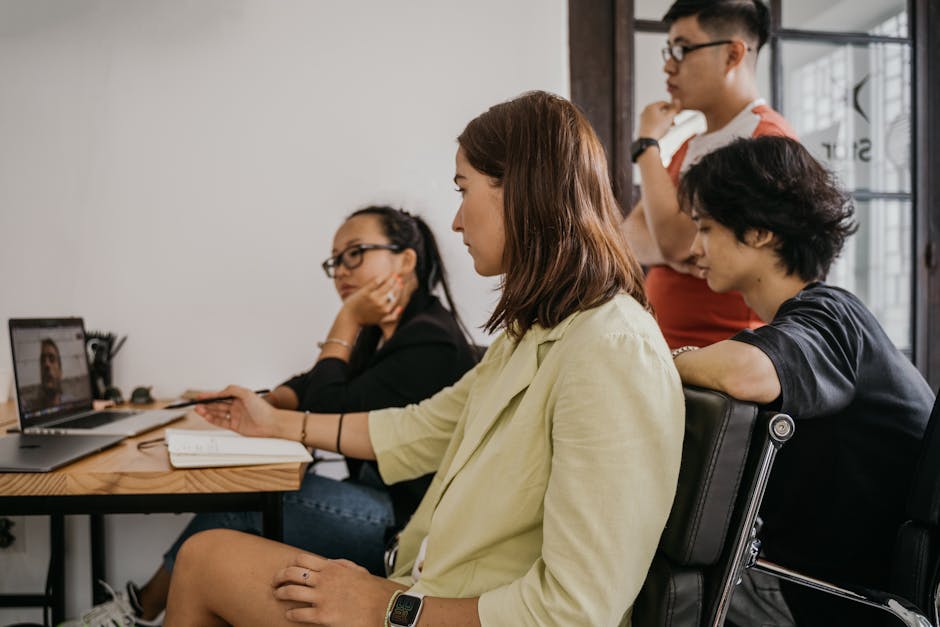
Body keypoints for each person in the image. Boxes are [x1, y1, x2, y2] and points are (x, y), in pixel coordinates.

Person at [162, 91, 685, 626]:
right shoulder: (529, 335)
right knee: (207, 554)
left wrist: (389, 607)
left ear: (522, 190)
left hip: (432, 608)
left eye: (464, 191)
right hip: (425, 586)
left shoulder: (611, 349)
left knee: (205, 558)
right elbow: (417, 430)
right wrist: (272, 421)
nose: (456, 221)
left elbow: (577, 611)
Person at [69, 206, 478, 627]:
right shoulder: (383, 333)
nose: (341, 271)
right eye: (335, 260)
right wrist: (264, 402)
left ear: (405, 259)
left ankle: (139, 611)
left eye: (355, 253)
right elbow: (311, 384)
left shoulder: (430, 339)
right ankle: (145, 608)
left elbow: (328, 405)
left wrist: (348, 318)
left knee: (238, 507)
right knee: (239, 504)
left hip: (400, 523)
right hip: (373, 497)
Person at [672, 136, 934, 626]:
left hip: (849, 601)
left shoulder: (832, 316)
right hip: (824, 585)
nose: (693, 249)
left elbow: (746, 372)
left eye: (706, 228)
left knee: (658, 587)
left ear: (759, 232)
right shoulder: (803, 324)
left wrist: (665, 360)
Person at [622, 0, 795, 349]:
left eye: (682, 49)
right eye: (668, 51)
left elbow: (671, 239)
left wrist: (646, 145)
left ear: (733, 55)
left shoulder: (765, 142)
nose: (669, 66)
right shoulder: (691, 143)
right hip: (669, 349)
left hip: (723, 357)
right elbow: (630, 235)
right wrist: (677, 249)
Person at [38, 338, 63, 409]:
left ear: (60, 371)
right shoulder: (30, 407)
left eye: (52, 359)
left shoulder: (72, 404)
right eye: (43, 360)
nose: (46, 364)